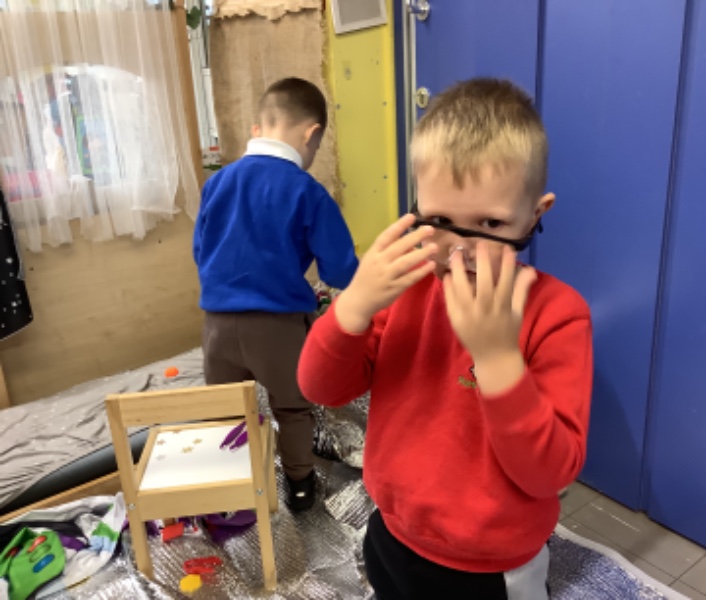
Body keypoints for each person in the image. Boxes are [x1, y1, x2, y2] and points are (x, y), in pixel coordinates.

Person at [297, 78, 593, 598]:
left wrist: (497, 358)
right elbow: (322, 387)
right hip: (392, 534)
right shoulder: (408, 291)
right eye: (439, 220)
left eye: (490, 222)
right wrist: (353, 306)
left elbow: (551, 473)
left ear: (535, 215)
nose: (461, 249)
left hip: (492, 567)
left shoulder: (558, 315)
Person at [194, 77, 358, 512]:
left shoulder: (218, 183)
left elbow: (201, 251)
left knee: (226, 411)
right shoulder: (307, 191)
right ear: (311, 134)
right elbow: (340, 270)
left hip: (216, 325)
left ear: (258, 128)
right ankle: (300, 485)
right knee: (293, 408)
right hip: (277, 327)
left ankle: (231, 493)